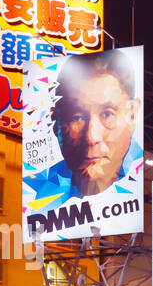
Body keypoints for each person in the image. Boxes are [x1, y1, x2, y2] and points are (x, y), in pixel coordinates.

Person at [43, 51, 142, 200]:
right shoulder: (35, 194)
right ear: (55, 121)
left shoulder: (147, 178)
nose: (91, 137)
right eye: (77, 117)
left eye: (108, 114)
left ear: (132, 115)